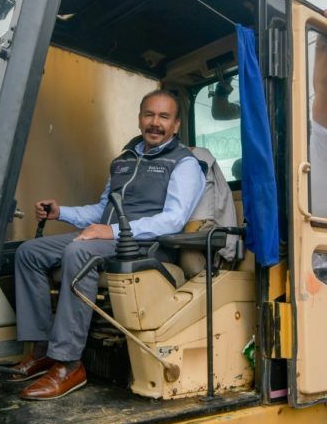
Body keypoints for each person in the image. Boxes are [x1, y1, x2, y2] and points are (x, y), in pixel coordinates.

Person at [11, 90, 206, 400]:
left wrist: (111, 232)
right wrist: (62, 212)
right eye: (149, 115)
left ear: (176, 125)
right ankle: (43, 349)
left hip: (144, 245)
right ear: (140, 118)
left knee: (79, 251)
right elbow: (102, 209)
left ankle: (68, 364)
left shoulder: (184, 164)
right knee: (29, 253)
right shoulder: (123, 161)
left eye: (164, 117)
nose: (155, 123)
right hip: (109, 237)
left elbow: (173, 220)